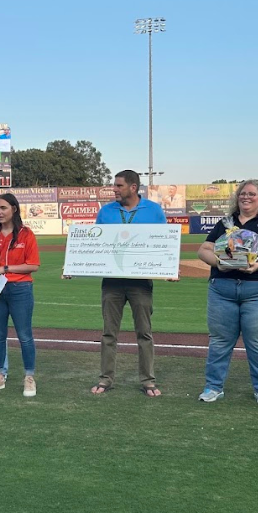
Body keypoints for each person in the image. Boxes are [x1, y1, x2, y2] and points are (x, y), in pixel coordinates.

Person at [196, 180, 258, 405]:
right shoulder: (225, 223)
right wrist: (219, 263)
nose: (246, 197)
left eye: (252, 194)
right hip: (223, 288)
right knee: (220, 340)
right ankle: (213, 387)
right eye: (242, 193)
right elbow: (204, 249)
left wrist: (257, 265)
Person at [90, 169, 168, 397]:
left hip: (140, 282)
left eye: (118, 185)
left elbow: (164, 244)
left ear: (133, 187)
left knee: (144, 333)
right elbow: (96, 245)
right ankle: (105, 379)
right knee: (108, 333)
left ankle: (148, 381)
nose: (114, 189)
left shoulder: (154, 211)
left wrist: (169, 268)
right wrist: (76, 266)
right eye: (114, 185)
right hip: (112, 282)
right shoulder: (106, 212)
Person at [0, 193, 41, 397]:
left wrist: (5, 268)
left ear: (14, 209)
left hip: (20, 289)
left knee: (24, 335)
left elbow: (33, 265)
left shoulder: (26, 234)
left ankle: (29, 377)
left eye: (3, 208)